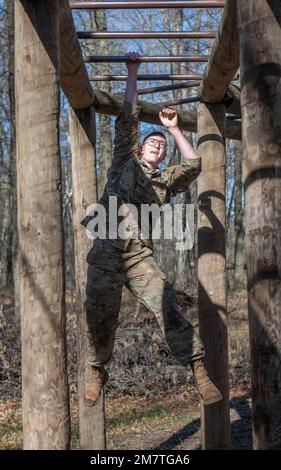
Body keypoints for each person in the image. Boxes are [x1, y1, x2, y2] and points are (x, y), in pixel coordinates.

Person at [83, 52, 222, 407]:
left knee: (166, 304)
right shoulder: (124, 160)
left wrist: (174, 128)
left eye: (161, 145)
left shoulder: (166, 181)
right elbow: (127, 118)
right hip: (107, 247)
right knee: (99, 311)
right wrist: (133, 73)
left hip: (138, 253)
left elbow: (192, 164)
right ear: (141, 147)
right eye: (152, 142)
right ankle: (99, 368)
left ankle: (198, 369)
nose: (157, 146)